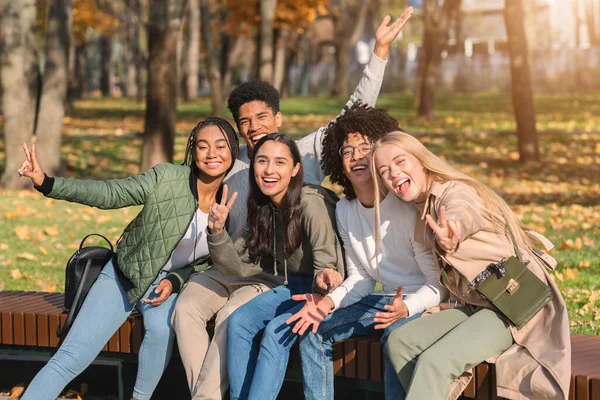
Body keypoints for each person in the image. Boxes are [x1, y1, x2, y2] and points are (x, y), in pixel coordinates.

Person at [171, 7, 414, 399]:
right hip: (240, 267)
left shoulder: (304, 153)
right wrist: (176, 273)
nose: (255, 128)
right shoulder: (233, 170)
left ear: (278, 119)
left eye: (262, 117)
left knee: (241, 322)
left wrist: (380, 53)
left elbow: (351, 117)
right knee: (194, 312)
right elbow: (205, 229)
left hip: (292, 279)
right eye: (246, 122)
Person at [17, 117, 240, 400]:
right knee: (72, 357)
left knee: (161, 331)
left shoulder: (231, 200)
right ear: (192, 151)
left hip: (164, 287)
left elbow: (208, 262)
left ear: (233, 150)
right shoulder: (167, 178)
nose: (212, 154)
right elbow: (110, 193)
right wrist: (47, 183)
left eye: (221, 146)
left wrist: (175, 279)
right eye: (203, 146)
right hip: (126, 274)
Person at [370, 131, 571, 400]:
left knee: (435, 361)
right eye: (385, 171)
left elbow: (462, 211)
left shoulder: (453, 192)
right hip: (476, 306)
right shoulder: (420, 210)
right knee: (398, 342)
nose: (394, 173)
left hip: (511, 307)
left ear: (421, 159)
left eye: (400, 161)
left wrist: (453, 232)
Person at [284, 103, 447, 400]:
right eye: (347, 151)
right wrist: (328, 304)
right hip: (382, 302)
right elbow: (360, 277)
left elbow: (437, 285)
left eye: (365, 148)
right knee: (313, 329)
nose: (356, 156)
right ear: (338, 161)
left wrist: (407, 308)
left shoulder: (406, 206)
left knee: (395, 336)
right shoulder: (346, 210)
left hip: (421, 305)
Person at [204, 133, 345, 400]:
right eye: (262, 161)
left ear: (295, 169)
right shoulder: (263, 206)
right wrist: (218, 232)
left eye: (280, 162)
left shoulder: (310, 202)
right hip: (290, 286)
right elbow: (236, 267)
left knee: (275, 331)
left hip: (326, 292)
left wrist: (323, 281)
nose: (269, 170)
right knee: (238, 322)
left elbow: (328, 266)